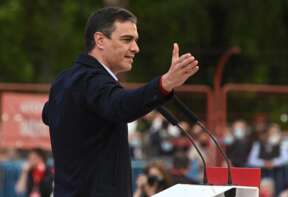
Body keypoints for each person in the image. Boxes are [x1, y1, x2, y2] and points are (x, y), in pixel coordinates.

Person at [42, 6, 199, 197]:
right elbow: (121, 105)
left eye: (135, 40)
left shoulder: (64, 81)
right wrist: (164, 84)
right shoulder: (92, 80)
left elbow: (47, 114)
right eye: (127, 40)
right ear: (100, 40)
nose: (135, 48)